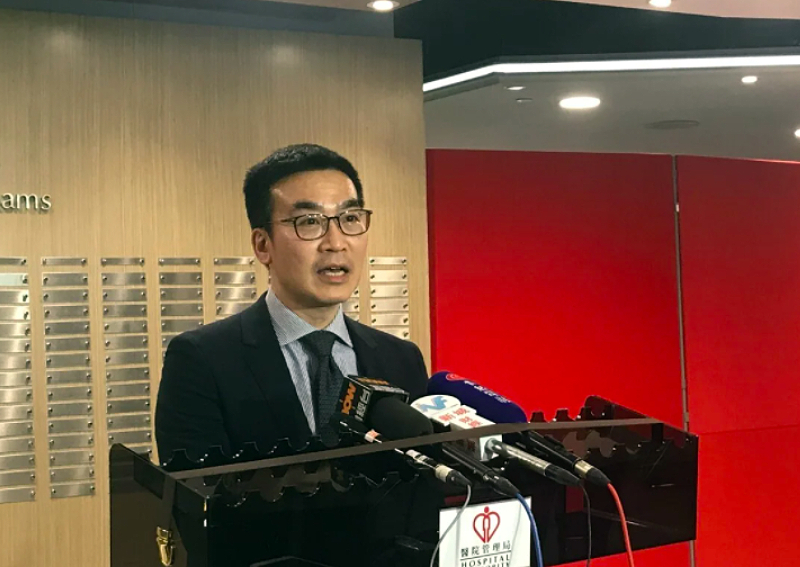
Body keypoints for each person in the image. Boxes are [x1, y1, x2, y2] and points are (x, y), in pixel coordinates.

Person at [155, 144, 429, 463]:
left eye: (350, 218)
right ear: (263, 245)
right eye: (309, 222)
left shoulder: (401, 359)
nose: (336, 243)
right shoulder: (202, 361)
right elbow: (196, 488)